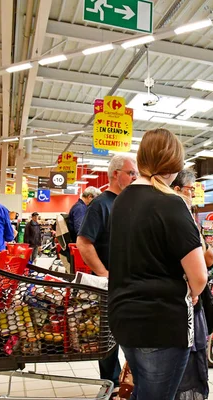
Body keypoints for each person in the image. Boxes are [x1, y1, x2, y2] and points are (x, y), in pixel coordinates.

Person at [109, 129, 208, 400]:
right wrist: (191, 288)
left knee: (143, 390)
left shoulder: (121, 200)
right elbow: (199, 278)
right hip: (161, 324)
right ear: (174, 164)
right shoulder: (172, 204)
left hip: (124, 319)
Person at [77, 153, 138, 389]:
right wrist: (103, 273)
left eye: (135, 173)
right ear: (116, 174)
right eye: (130, 173)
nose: (134, 177)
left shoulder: (128, 203)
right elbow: (84, 243)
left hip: (129, 283)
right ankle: (110, 386)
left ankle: (125, 384)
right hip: (109, 286)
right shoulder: (101, 204)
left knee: (127, 336)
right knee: (109, 340)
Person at [172, 169, 211, 400]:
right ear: (177, 189)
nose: (193, 195)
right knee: (186, 360)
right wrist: (195, 291)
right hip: (185, 300)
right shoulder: (183, 219)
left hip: (179, 300)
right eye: (190, 190)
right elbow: (205, 261)